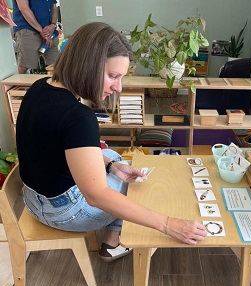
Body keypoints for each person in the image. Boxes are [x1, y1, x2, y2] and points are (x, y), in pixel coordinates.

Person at [16, 22, 207, 262]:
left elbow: (55, 148)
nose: (118, 87)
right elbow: (96, 196)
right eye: (113, 76)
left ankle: (111, 236)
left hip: (32, 200)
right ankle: (113, 242)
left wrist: (111, 166)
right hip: (63, 212)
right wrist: (169, 224)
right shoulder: (78, 117)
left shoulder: (38, 87)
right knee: (132, 187)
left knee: (116, 160)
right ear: (87, 66)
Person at [12, 0, 59, 74]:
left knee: (55, 64)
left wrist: (53, 24)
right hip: (28, 28)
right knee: (25, 65)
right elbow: (24, 8)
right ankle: (20, 84)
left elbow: (54, 7)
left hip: (50, 30)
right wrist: (42, 31)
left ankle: (52, 84)